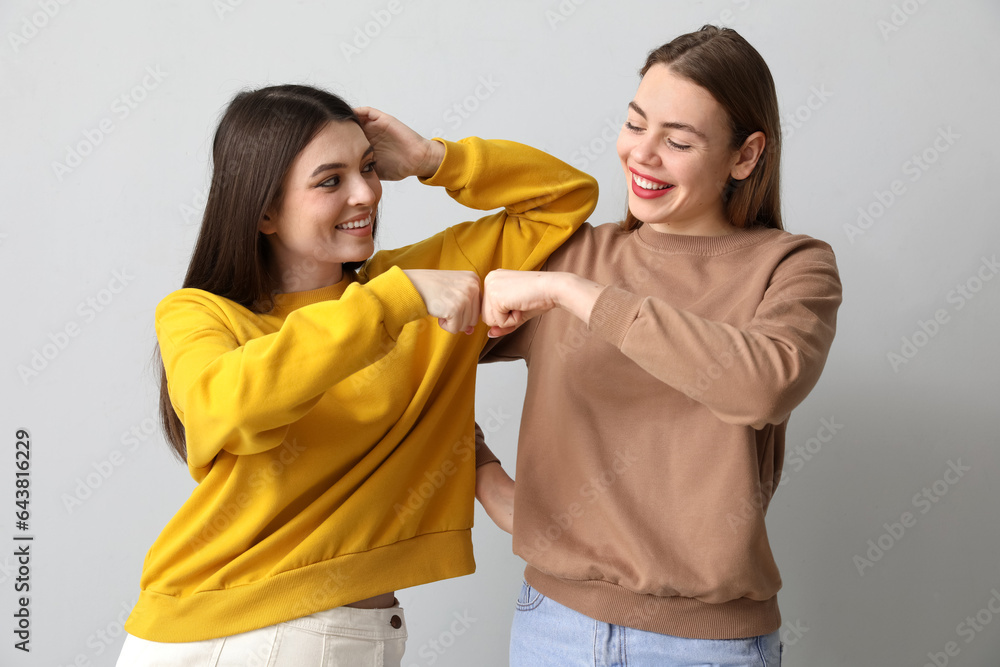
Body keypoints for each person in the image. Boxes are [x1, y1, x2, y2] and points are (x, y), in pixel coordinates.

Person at [116, 84, 597, 666]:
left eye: (368, 169)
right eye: (330, 180)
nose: (366, 192)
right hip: (233, 631)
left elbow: (565, 199)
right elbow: (225, 406)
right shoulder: (201, 312)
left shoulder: (414, 284)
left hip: (331, 633)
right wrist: (398, 300)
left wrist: (431, 159)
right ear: (264, 211)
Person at [474, 26, 842, 666]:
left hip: (710, 647)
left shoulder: (793, 267)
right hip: (552, 627)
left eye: (677, 141)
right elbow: (407, 358)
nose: (642, 155)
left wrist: (573, 293)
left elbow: (762, 385)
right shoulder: (576, 249)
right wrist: (483, 476)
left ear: (745, 156)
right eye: (635, 125)